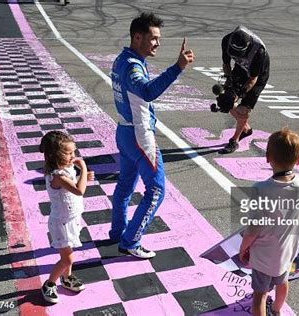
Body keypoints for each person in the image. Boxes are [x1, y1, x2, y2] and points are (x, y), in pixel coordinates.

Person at [109, 12, 195, 259]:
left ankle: (117, 232)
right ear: (138, 37)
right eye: (154, 38)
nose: (158, 43)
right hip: (139, 135)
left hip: (124, 132)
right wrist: (177, 67)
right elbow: (146, 91)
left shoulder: (122, 58)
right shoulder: (133, 66)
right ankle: (130, 242)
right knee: (156, 190)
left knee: (125, 185)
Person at [239, 128, 299, 316]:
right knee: (282, 281)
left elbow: (253, 230)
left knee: (259, 295)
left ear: (267, 157)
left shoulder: (260, 189)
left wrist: (243, 248)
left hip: (263, 255)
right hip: (288, 251)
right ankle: (277, 310)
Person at [39, 131, 95, 304]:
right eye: (69, 153)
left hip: (70, 219)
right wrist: (84, 169)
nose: (74, 156)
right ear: (56, 155)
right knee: (67, 258)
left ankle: (67, 278)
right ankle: (49, 284)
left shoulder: (66, 170)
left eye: (74, 152)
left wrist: (80, 176)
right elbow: (79, 190)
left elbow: (75, 185)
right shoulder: (58, 176)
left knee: (69, 251)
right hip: (61, 223)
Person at [219, 25, 270, 154]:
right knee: (226, 101)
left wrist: (240, 93)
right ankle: (246, 129)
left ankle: (235, 140)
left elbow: (253, 79)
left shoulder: (259, 52)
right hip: (241, 69)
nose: (237, 56)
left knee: (243, 110)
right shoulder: (226, 40)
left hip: (257, 75)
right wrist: (230, 85)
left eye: (240, 54)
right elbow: (226, 64)